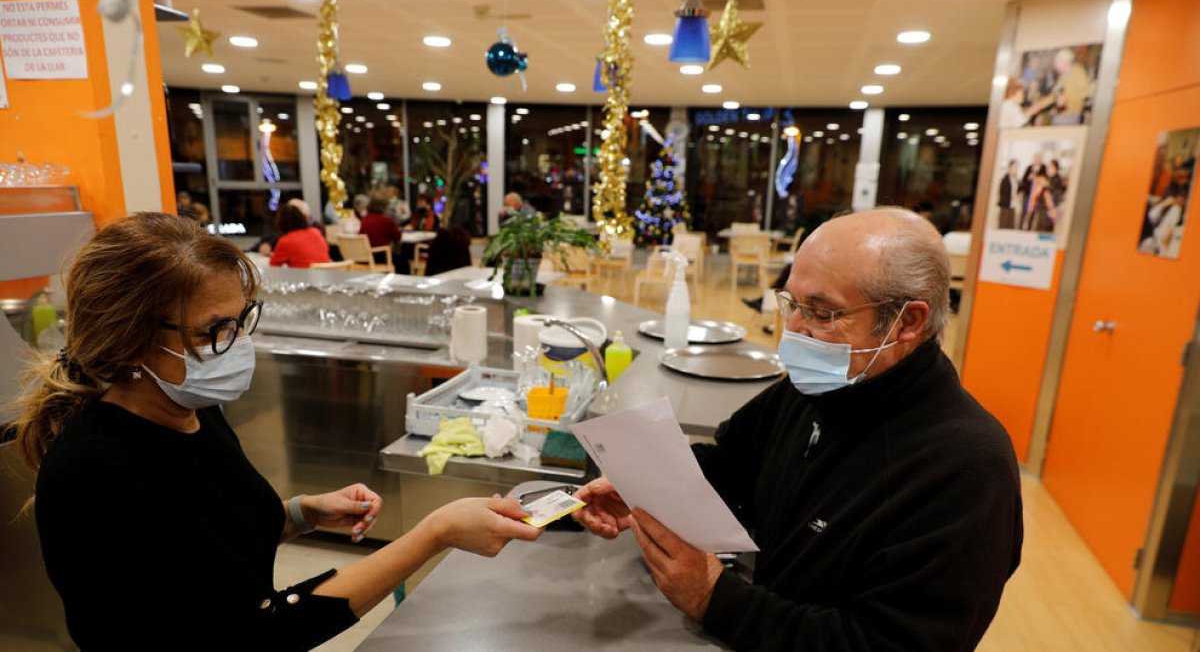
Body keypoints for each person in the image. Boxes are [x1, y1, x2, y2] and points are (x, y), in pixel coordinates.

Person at [13, 213, 543, 650]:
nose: (238, 343)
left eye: (242, 320)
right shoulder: (96, 471)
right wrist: (434, 533)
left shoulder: (189, 407)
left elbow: (210, 544)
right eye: (214, 330)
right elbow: (261, 629)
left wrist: (299, 514)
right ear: (127, 338)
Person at [574, 207, 1023, 651]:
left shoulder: (966, 469)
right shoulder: (822, 388)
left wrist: (715, 598)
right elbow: (733, 464)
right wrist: (648, 487)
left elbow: (884, 641)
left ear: (907, 321)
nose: (793, 331)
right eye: (791, 302)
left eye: (823, 314)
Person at [997, 159, 1021, 229]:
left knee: (1011, 226)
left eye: (1017, 167)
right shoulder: (1004, 179)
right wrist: (1011, 197)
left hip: (1013, 206)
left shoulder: (1017, 180)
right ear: (1010, 168)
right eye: (1015, 167)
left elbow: (1018, 190)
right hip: (1005, 206)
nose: (1016, 169)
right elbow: (1002, 193)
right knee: (1003, 225)